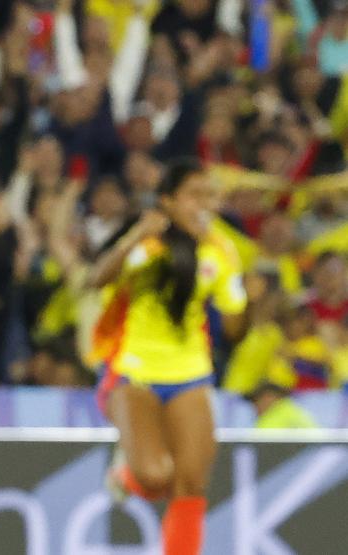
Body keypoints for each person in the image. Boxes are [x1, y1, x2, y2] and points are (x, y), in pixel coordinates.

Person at [89, 159, 247, 555]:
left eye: (209, 196)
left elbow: (234, 330)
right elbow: (96, 281)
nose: (204, 205)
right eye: (194, 196)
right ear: (168, 202)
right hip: (134, 374)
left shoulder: (217, 253)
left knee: (190, 485)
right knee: (155, 477)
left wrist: (236, 273)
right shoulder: (149, 250)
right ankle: (126, 476)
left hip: (191, 374)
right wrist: (132, 239)